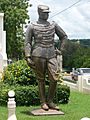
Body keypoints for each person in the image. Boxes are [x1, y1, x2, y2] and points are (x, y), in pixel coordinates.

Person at [25, 5, 68, 111]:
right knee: (41, 79)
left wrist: (61, 50)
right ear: (39, 13)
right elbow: (27, 42)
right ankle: (43, 102)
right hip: (38, 54)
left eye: (48, 13)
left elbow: (64, 36)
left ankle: (50, 101)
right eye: (44, 13)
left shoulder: (53, 25)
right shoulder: (32, 26)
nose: (47, 14)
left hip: (51, 53)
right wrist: (28, 57)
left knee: (54, 78)